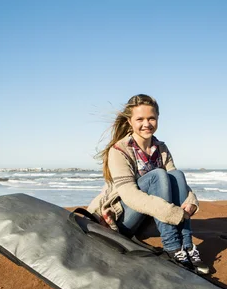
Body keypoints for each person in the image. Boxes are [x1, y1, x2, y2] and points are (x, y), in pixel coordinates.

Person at [87, 94, 209, 274]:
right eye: (140, 119)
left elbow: (178, 182)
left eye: (151, 118)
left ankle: (187, 247)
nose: (147, 124)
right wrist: (170, 212)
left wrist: (191, 202)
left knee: (176, 174)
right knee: (158, 175)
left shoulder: (160, 148)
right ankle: (172, 248)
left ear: (158, 118)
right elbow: (130, 195)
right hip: (122, 219)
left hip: (148, 216)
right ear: (130, 121)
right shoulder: (119, 150)